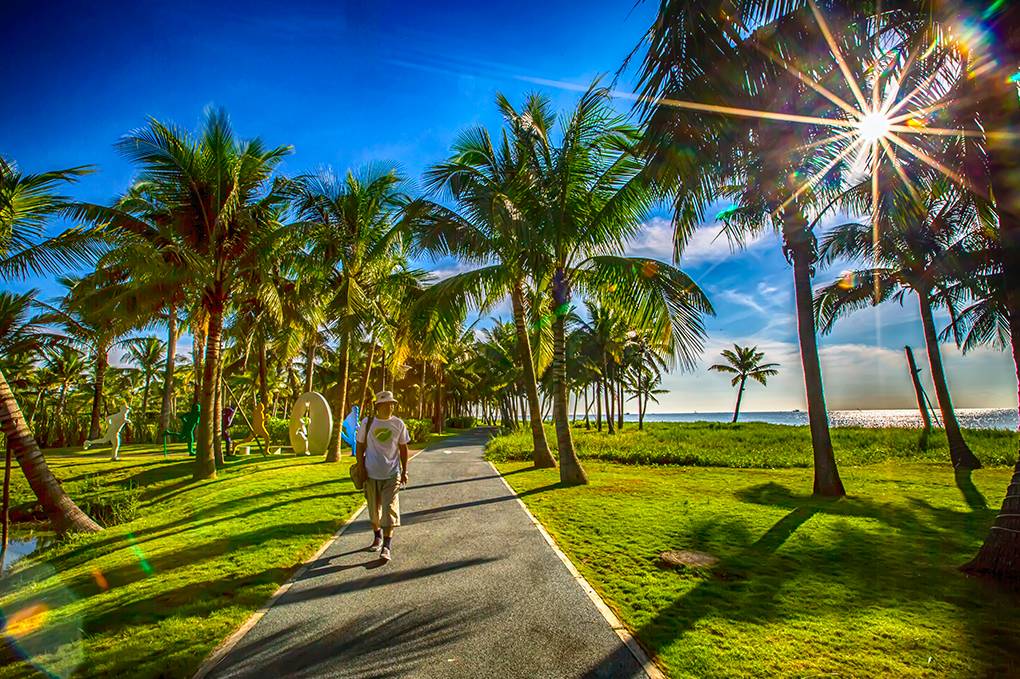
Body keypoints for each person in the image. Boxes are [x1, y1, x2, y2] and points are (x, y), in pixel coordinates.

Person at [355, 390, 410, 562]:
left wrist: (405, 470)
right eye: (387, 404)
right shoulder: (368, 422)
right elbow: (360, 445)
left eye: (392, 403)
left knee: (389, 511)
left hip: (392, 474)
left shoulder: (398, 424)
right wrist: (360, 467)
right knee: (374, 512)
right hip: (371, 474)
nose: (390, 406)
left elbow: (403, 449)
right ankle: (377, 535)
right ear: (378, 406)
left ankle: (386, 546)